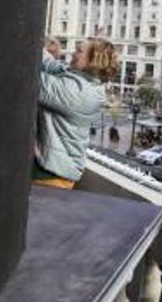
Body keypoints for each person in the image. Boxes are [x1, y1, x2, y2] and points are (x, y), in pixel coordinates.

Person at [33, 37, 118, 190]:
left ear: (92, 61)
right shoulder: (79, 77)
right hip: (49, 166)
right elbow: (50, 64)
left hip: (53, 174)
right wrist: (32, 40)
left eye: (79, 51)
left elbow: (33, 81)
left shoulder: (80, 92)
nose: (73, 53)